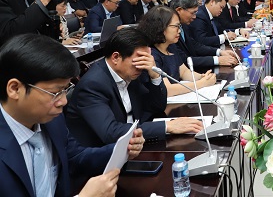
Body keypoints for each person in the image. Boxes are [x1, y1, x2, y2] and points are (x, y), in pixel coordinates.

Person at [0, 34, 145, 197]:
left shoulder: (51, 120)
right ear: (15, 89)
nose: (63, 101)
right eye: (55, 93)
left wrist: (122, 150)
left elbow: (75, 158)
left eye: (65, 90)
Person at [65, 28, 204, 147]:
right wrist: (167, 126)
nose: (142, 66)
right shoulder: (93, 85)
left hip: (133, 143)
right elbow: (110, 132)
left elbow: (156, 107)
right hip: (103, 156)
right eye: (138, 60)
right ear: (116, 57)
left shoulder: (131, 72)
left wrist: (155, 75)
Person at [137, 6, 217, 96]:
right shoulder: (151, 54)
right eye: (176, 26)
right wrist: (201, 83)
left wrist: (202, 77)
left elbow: (184, 72)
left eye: (180, 26)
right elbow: (167, 89)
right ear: (160, 27)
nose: (179, 31)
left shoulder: (171, 46)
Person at [170, 0, 238, 71]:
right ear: (179, 10)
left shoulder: (183, 24)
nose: (195, 17)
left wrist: (219, 52)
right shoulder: (168, 30)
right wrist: (217, 60)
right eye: (193, 13)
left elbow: (194, 45)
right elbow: (182, 60)